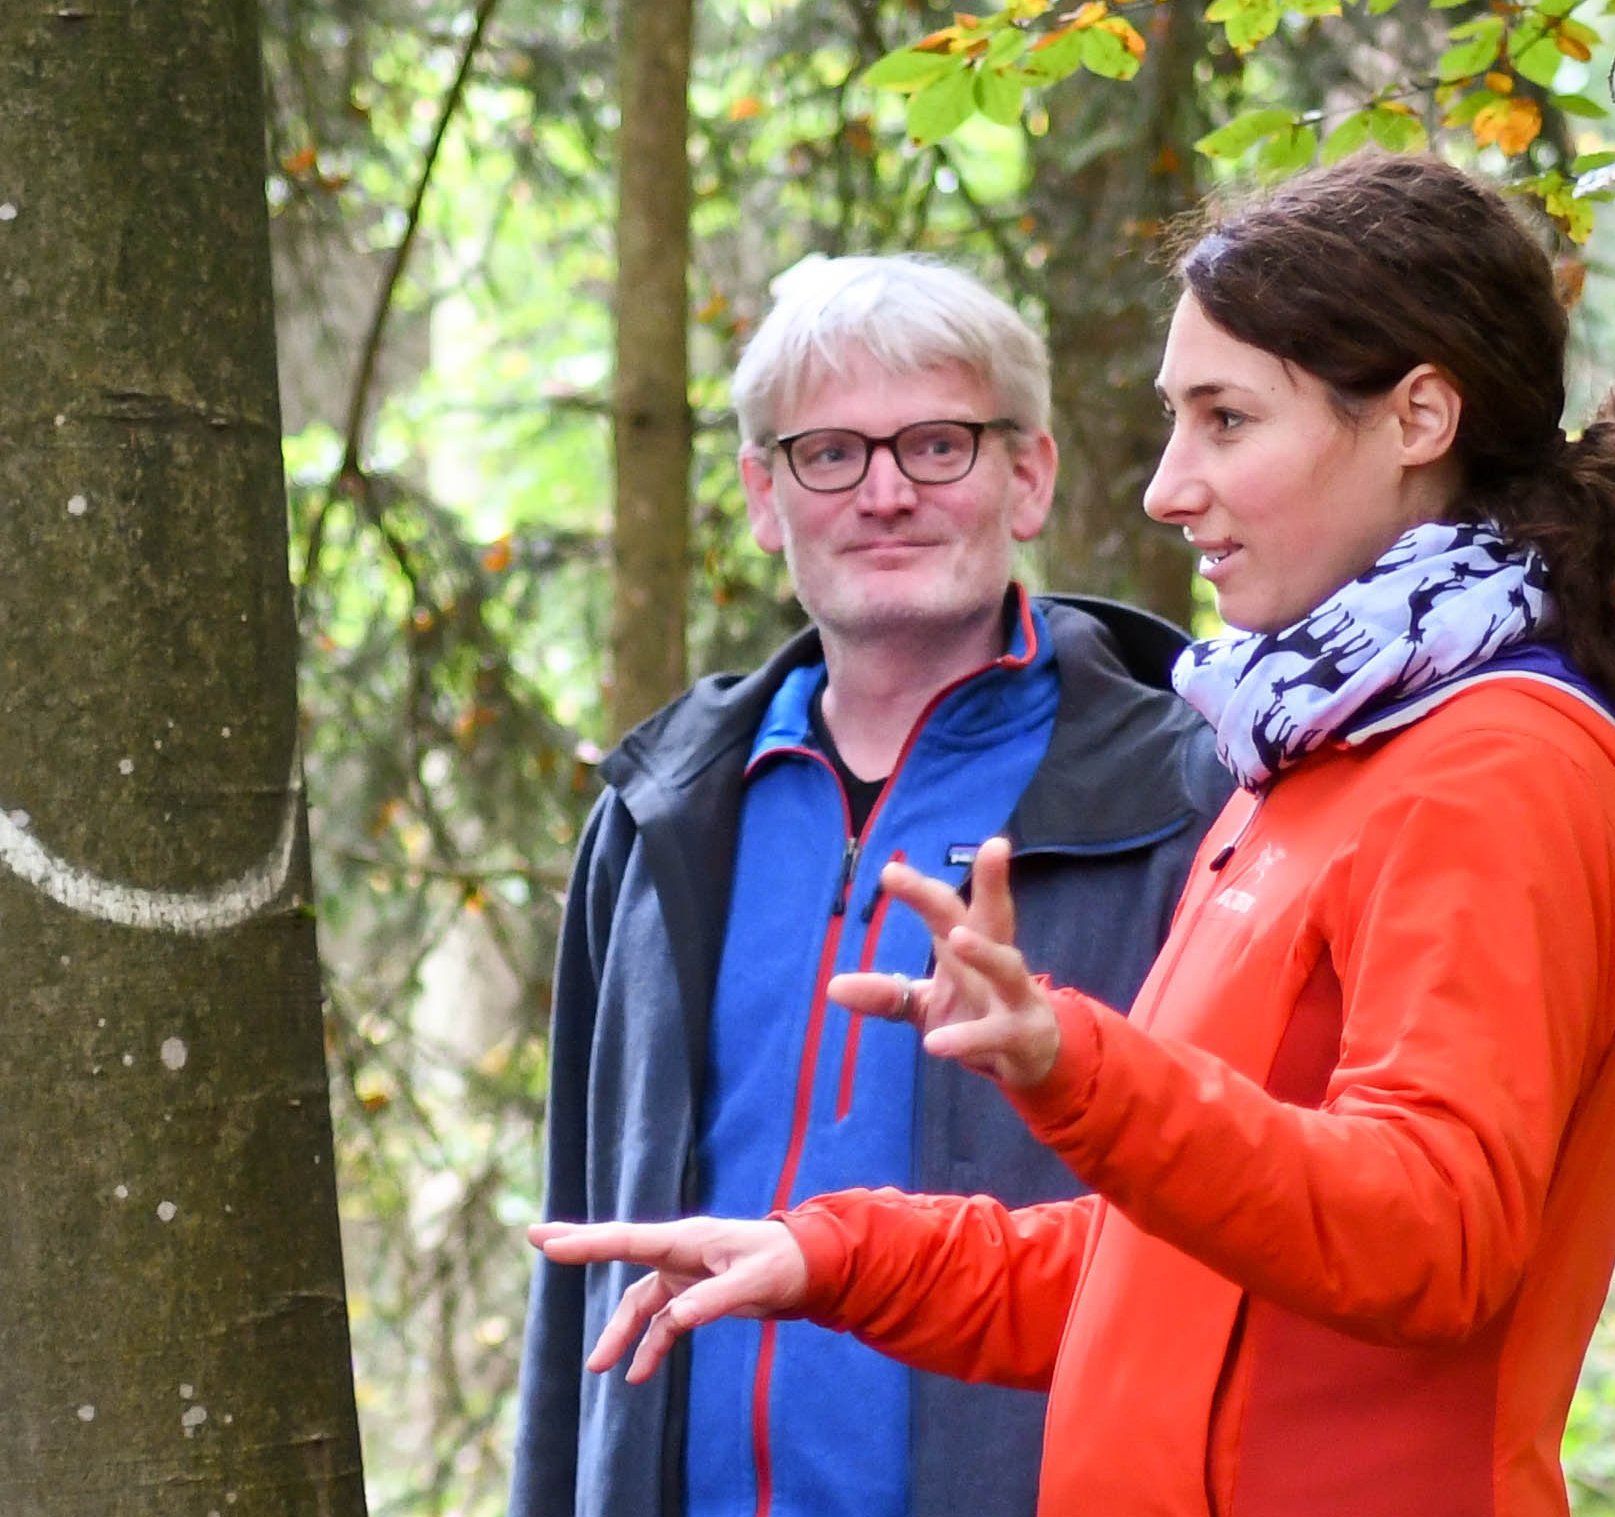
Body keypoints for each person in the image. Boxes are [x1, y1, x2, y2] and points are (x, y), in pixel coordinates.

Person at [523, 154, 1615, 1517]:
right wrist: (834, 1254)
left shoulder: (1500, 767)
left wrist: (1070, 1065)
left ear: (1415, 416)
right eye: (1175, 421)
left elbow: (1430, 1232)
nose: (1168, 487)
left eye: (1224, 420)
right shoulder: (1318, 754)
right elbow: (1158, 1279)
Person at [515, 254, 1241, 1517]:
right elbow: (580, 1237)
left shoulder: (1179, 797)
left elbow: (1247, 1223)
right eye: (829, 453)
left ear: (1028, 476)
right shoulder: (663, 810)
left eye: (939, 444)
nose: (886, 493)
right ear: (761, 493)